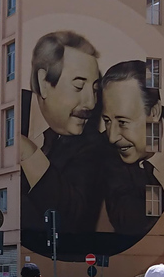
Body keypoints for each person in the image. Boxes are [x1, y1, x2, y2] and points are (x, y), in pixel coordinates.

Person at [20, 31, 106, 259]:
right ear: (43, 83)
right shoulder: (8, 116)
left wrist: (28, 154)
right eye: (79, 87)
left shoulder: (94, 145)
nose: (90, 102)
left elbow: (73, 216)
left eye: (95, 89)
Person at [101, 61, 164, 236]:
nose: (112, 137)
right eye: (107, 121)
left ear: (154, 113)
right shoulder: (107, 154)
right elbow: (131, 224)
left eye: (123, 122)